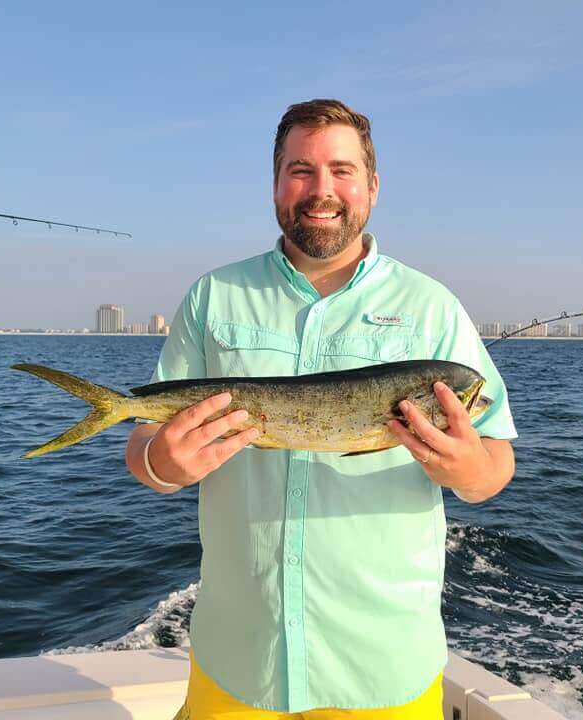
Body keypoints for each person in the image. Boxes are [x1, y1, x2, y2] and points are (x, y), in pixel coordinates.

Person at [125, 99, 517, 720]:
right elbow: (144, 451)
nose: (322, 189)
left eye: (342, 170)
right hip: (237, 660)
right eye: (301, 170)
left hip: (383, 666)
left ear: (372, 186)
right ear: (276, 182)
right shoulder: (212, 295)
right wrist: (162, 465)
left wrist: (464, 468)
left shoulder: (434, 306)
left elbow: (495, 466)